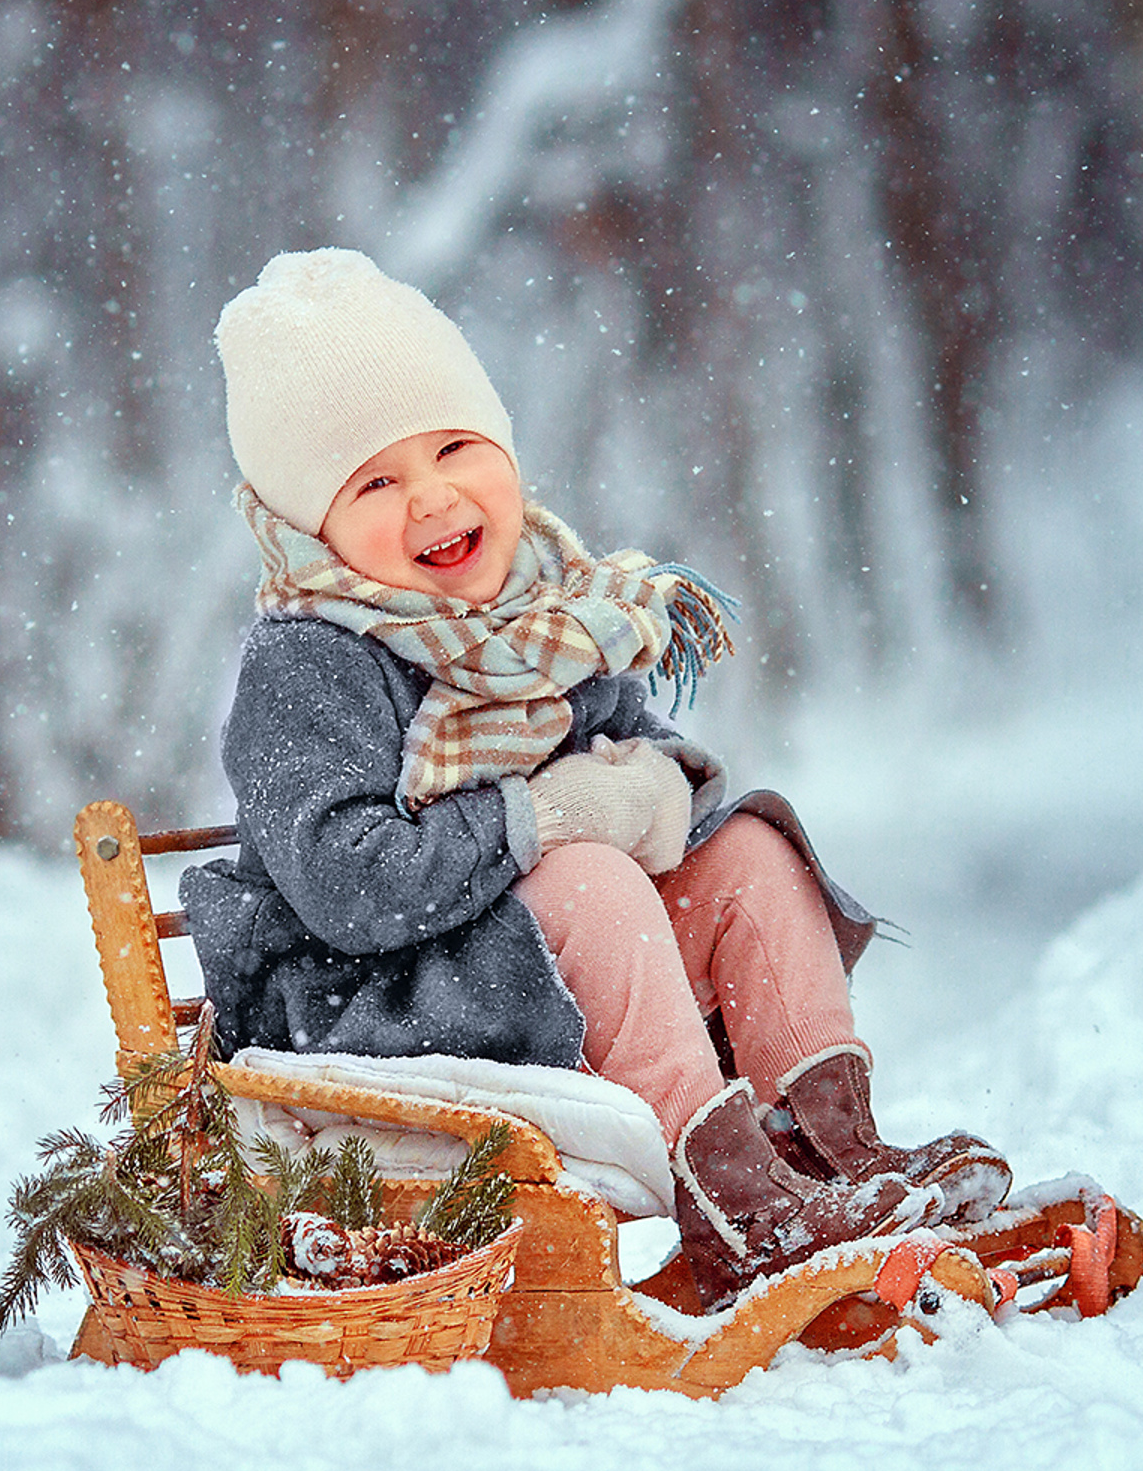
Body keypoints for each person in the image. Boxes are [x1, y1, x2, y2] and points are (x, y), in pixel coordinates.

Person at [183, 248, 1009, 1310]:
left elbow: (628, 742)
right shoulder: (310, 659)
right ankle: (736, 1209)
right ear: (313, 525)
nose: (432, 496)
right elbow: (348, 884)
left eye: (454, 447)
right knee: (584, 879)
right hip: (371, 1000)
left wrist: (656, 791)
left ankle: (830, 1152)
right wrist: (542, 818)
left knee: (748, 850)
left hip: (511, 964)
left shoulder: (542, 616)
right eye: (375, 481)